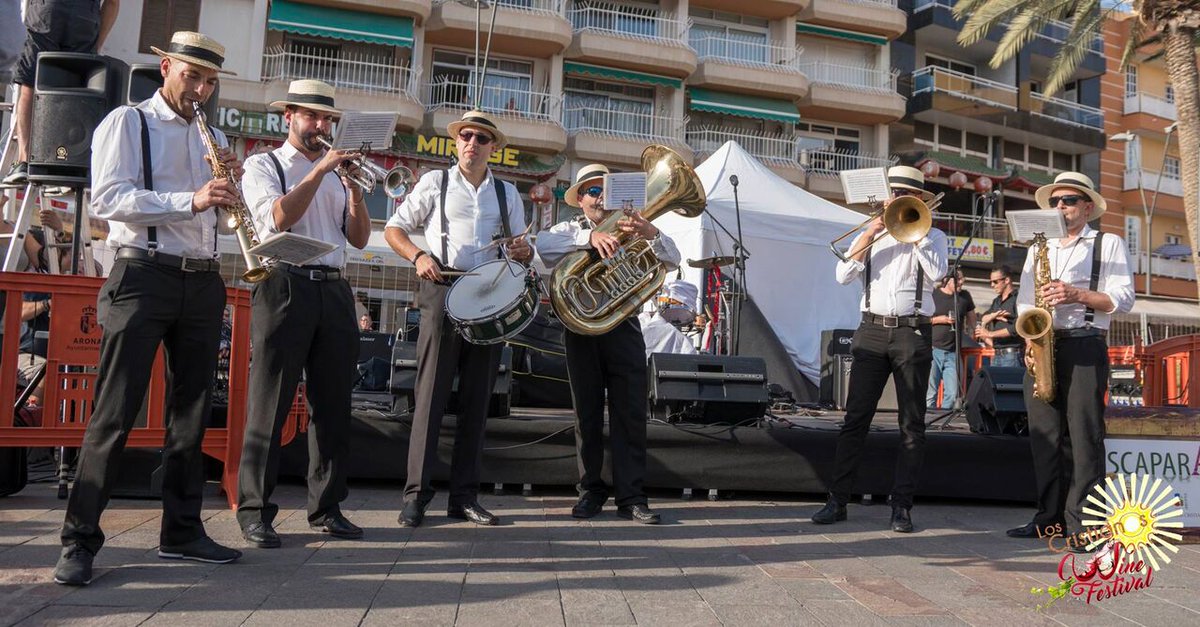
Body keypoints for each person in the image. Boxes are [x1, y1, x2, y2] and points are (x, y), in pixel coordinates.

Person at [53, 31, 243, 586]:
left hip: (201, 280)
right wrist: (193, 197)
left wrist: (227, 188)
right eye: (193, 77)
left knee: (191, 416)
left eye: (210, 82)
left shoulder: (215, 133)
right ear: (166, 67)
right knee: (114, 413)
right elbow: (109, 198)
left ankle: (181, 532)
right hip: (141, 274)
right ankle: (79, 540)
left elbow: (219, 218)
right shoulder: (127, 122)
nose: (202, 91)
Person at [236, 80, 371, 548]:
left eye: (327, 119)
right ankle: (254, 510)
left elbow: (356, 238)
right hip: (284, 283)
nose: (321, 126)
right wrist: (321, 171)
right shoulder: (263, 164)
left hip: (333, 289)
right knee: (269, 402)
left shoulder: (338, 174)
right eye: (312, 117)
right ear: (288, 116)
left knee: (333, 406)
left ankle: (327, 507)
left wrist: (354, 193)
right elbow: (277, 218)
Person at [384, 110, 532, 527]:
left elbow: (522, 248)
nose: (472, 142)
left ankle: (464, 496)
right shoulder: (435, 181)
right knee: (429, 395)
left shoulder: (507, 193)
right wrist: (418, 255)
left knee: (477, 399)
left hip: (488, 294)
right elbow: (395, 228)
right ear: (456, 143)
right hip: (443, 285)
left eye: (481, 138)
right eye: (465, 136)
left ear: (492, 147)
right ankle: (416, 496)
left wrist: (523, 253)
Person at [536, 164, 682, 524]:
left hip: (623, 326)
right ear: (581, 200)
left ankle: (632, 496)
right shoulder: (567, 229)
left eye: (606, 189)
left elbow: (673, 259)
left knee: (630, 413)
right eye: (592, 191)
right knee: (586, 413)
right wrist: (589, 240)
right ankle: (590, 491)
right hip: (581, 329)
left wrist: (651, 232)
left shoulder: (633, 229)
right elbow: (542, 248)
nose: (599, 197)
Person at [813, 165, 948, 533]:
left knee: (911, 422)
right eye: (896, 194)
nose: (901, 200)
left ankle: (901, 506)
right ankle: (837, 500)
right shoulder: (873, 235)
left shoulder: (933, 235)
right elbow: (843, 276)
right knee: (855, 418)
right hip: (871, 329)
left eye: (910, 196)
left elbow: (937, 275)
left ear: (921, 200)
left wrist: (916, 233)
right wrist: (871, 231)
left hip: (912, 333)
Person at [1005, 172, 1134, 550]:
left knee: (1084, 437)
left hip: (1083, 343)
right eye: (1056, 201)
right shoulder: (1038, 247)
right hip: (1044, 344)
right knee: (1045, 437)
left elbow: (1123, 298)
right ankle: (1048, 519)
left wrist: (1077, 293)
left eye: (1069, 200)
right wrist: (1030, 336)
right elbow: (1025, 301)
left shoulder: (1107, 243)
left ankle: (1085, 524)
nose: (1060, 206)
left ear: (1088, 207)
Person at [4, 0, 120, 185]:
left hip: (46, 14)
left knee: (30, 85)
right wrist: (97, 44)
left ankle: (24, 161)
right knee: (72, 92)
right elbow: (113, 3)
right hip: (84, 21)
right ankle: (62, 164)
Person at [926, 268, 975, 410]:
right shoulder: (933, 295)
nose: (962, 282)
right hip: (933, 350)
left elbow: (972, 321)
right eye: (958, 279)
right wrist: (938, 319)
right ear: (946, 280)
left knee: (953, 393)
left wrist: (977, 332)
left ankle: (941, 419)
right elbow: (921, 319)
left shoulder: (965, 296)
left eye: (962, 278)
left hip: (953, 351)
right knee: (931, 391)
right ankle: (928, 422)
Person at [975, 264, 1022, 368]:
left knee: (1010, 384)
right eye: (990, 282)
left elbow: (1017, 328)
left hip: (1012, 355)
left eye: (995, 281)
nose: (992, 285)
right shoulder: (996, 301)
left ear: (1007, 280)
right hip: (996, 354)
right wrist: (993, 316)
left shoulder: (1018, 299)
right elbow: (984, 317)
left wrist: (990, 334)